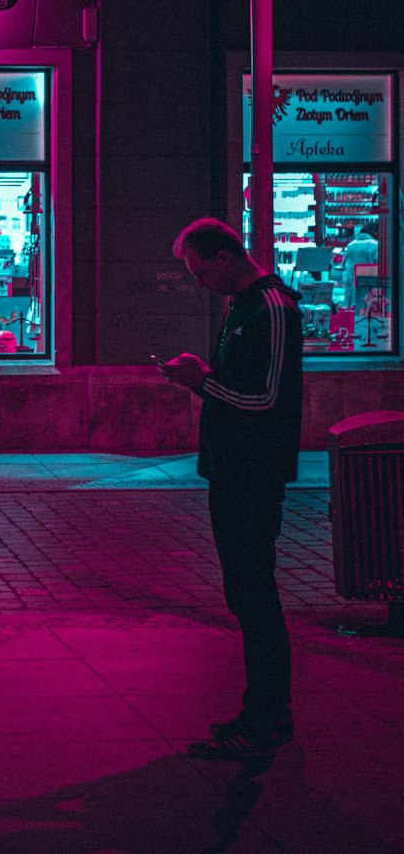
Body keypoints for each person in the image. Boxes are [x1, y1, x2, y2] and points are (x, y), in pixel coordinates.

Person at [159, 217, 302, 762]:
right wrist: (204, 376)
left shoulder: (272, 307)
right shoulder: (239, 308)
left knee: (255, 593)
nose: (199, 284)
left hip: (255, 473)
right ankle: (261, 711)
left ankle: (267, 716)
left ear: (223, 257)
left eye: (200, 272)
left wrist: (204, 382)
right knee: (244, 593)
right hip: (230, 470)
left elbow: (268, 400)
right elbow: (238, 386)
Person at [339, 222, 379, 314]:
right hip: (369, 290)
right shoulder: (375, 245)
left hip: (351, 290)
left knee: (352, 316)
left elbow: (343, 265)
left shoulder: (351, 245)